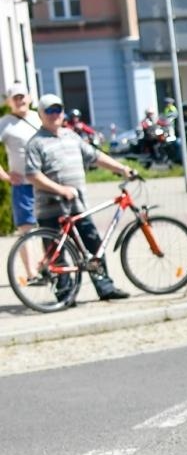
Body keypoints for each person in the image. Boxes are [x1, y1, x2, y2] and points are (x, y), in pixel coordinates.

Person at [24, 92, 139, 302]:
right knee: (57, 253)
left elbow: (95, 156)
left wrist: (122, 169)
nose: (54, 114)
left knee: (94, 245)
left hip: (77, 206)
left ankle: (105, 287)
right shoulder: (36, 143)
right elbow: (33, 175)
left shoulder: (71, 136)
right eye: (49, 110)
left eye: (58, 109)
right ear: (40, 114)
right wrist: (61, 190)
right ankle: (65, 295)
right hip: (50, 208)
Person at [1, 83, 43, 279]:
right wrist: (5, 176)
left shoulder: (39, 117)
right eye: (15, 98)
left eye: (22, 96)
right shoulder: (5, 123)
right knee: (26, 229)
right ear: (9, 102)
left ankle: (48, 266)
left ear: (30, 98)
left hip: (45, 182)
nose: (20, 101)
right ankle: (31, 273)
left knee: (50, 226)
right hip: (22, 185)